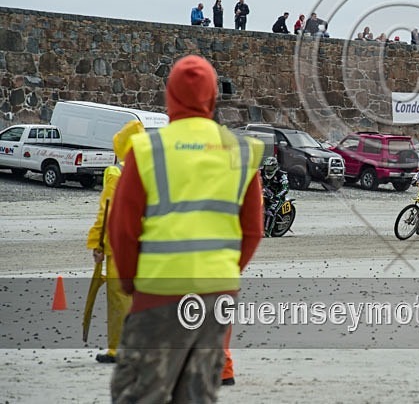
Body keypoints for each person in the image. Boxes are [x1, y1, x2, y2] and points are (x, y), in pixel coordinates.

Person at [109, 55, 266, 402]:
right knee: (196, 394)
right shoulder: (241, 151)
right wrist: (223, 272)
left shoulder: (148, 149)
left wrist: (132, 282)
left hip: (158, 290)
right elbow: (253, 230)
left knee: (140, 392)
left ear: (170, 96)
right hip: (216, 294)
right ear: (212, 96)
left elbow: (122, 228)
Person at [86, 119, 144, 364]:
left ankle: (117, 349)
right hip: (146, 244)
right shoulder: (149, 171)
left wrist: (97, 244)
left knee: (119, 299)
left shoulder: (116, 173)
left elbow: (107, 211)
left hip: (120, 246)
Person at [260, 157, 290, 237]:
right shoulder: (260, 172)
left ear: (275, 166)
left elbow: (285, 188)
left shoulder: (281, 175)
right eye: (267, 167)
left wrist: (277, 196)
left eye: (270, 167)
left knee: (271, 210)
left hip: (276, 197)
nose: (268, 169)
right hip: (261, 193)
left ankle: (266, 231)